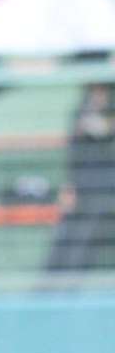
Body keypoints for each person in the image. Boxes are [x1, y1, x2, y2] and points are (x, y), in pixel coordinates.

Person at [45, 82, 115, 276]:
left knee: (84, 241)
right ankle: (46, 291)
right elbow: (74, 153)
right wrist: (69, 186)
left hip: (105, 191)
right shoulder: (81, 107)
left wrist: (100, 125)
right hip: (82, 187)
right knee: (65, 238)